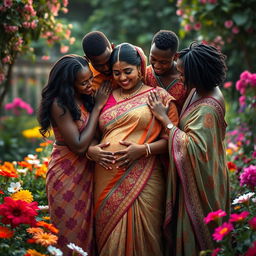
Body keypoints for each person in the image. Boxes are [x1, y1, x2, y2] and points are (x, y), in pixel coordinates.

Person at [86, 43, 179, 255]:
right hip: (106, 178)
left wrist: (143, 150)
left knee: (147, 237)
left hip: (146, 177)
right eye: (117, 73)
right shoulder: (105, 95)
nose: (122, 78)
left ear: (140, 68)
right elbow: (91, 135)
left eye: (128, 71)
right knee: (110, 239)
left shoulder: (158, 96)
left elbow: (173, 139)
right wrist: (91, 151)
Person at [147, 42, 230, 256]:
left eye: (183, 74)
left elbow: (191, 149)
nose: (179, 77)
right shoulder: (200, 89)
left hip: (203, 183)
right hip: (201, 174)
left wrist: (164, 119)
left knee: (200, 241)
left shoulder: (208, 108)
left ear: (198, 74)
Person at [37, 54, 111, 256]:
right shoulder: (58, 104)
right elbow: (78, 145)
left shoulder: (85, 97)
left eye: (90, 80)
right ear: (69, 83)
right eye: (83, 82)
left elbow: (94, 134)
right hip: (66, 175)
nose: (89, 85)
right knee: (70, 237)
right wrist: (97, 108)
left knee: (89, 234)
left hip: (87, 172)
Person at [146, 30, 187, 112]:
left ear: (175, 57)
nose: (157, 65)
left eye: (163, 62)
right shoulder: (144, 74)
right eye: (153, 59)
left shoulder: (185, 79)